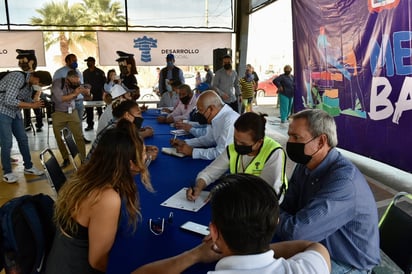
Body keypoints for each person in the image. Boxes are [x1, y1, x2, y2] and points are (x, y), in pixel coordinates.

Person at [132, 174, 331, 274]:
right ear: (275, 222)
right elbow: (313, 246)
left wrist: (195, 255)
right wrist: (252, 247)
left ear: (214, 232)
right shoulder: (309, 268)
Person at [276, 109, 380, 273]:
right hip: (314, 246)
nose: (289, 141)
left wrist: (273, 218)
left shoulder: (344, 182)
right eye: (289, 135)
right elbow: (287, 205)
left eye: (296, 137)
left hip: (346, 263)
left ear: (321, 141)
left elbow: (297, 232)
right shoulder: (305, 165)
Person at [45, 121, 153, 274]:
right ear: (130, 164)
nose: (146, 160)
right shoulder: (106, 198)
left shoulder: (89, 175)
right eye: (144, 156)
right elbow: (98, 262)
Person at [187, 111, 287, 201]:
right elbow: (209, 173)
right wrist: (199, 187)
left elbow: (266, 194)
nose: (237, 145)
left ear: (259, 142)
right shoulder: (232, 149)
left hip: (264, 206)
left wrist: (227, 192)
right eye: (235, 139)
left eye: (243, 143)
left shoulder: (274, 153)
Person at [0, 70, 52, 183]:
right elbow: (9, 100)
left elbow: (28, 101)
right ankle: (7, 173)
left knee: (23, 139)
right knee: (7, 142)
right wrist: (32, 105)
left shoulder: (29, 85)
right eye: (41, 85)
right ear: (36, 79)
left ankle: (28, 167)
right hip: (2, 110)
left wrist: (38, 99)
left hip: (15, 112)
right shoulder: (17, 77)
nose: (40, 87)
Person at [171, 90, 239, 160]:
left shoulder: (230, 120)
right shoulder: (215, 117)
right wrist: (186, 143)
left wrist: (192, 152)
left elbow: (222, 153)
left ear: (211, 109)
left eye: (200, 110)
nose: (199, 114)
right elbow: (209, 139)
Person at [86, 99, 156, 162]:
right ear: (127, 115)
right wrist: (147, 157)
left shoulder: (119, 125)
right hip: (96, 174)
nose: (141, 117)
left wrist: (143, 149)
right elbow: (122, 162)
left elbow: (123, 150)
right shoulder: (115, 132)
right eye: (138, 114)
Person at [51, 70, 89, 168]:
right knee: (59, 138)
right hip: (59, 113)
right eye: (75, 82)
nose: (77, 83)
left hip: (72, 112)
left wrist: (86, 92)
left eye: (78, 81)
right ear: (69, 78)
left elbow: (88, 95)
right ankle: (65, 158)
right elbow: (60, 98)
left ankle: (83, 159)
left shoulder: (77, 83)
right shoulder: (57, 83)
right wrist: (75, 93)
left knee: (79, 136)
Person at [53, 53, 91, 144]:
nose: (75, 62)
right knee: (68, 123)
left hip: (79, 101)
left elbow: (81, 84)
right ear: (67, 61)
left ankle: (80, 137)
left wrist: (86, 90)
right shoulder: (59, 72)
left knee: (79, 121)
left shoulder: (78, 72)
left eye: (76, 60)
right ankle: (68, 140)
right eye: (73, 61)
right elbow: (56, 88)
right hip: (67, 102)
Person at [16, 49, 44, 132]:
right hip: (26, 95)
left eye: (24, 61)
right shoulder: (22, 75)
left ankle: (39, 124)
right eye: (20, 61)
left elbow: (38, 86)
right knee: (26, 109)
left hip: (34, 94)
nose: (21, 63)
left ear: (31, 62)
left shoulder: (34, 74)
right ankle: (27, 124)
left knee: (37, 110)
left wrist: (37, 96)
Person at [83, 56, 106, 131]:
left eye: (89, 61)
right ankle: (90, 125)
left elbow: (104, 84)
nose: (88, 63)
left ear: (93, 62)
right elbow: (83, 84)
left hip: (98, 94)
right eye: (87, 62)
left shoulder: (100, 72)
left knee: (100, 110)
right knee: (89, 110)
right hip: (88, 95)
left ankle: (102, 125)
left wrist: (103, 94)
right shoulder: (85, 72)